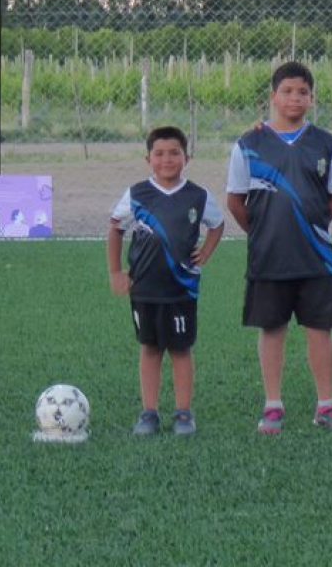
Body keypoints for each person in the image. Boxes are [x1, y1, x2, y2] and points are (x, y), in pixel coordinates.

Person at [225, 61, 332, 435]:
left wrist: (308, 225)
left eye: (303, 92)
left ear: (312, 99)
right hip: (269, 255)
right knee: (272, 328)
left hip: (315, 255)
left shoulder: (327, 144)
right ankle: (273, 405)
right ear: (273, 97)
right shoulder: (249, 145)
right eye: (287, 91)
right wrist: (263, 230)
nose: (295, 98)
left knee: (320, 329)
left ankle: (326, 406)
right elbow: (236, 201)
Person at [108, 126, 224, 436]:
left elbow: (217, 224)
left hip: (181, 288)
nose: (167, 159)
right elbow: (116, 228)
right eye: (159, 153)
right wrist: (116, 272)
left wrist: (207, 253)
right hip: (144, 288)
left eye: (174, 153)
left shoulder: (198, 196)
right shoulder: (137, 194)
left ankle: (184, 413)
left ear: (187, 157)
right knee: (149, 348)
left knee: (181, 349)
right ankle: (149, 413)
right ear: (148, 158)